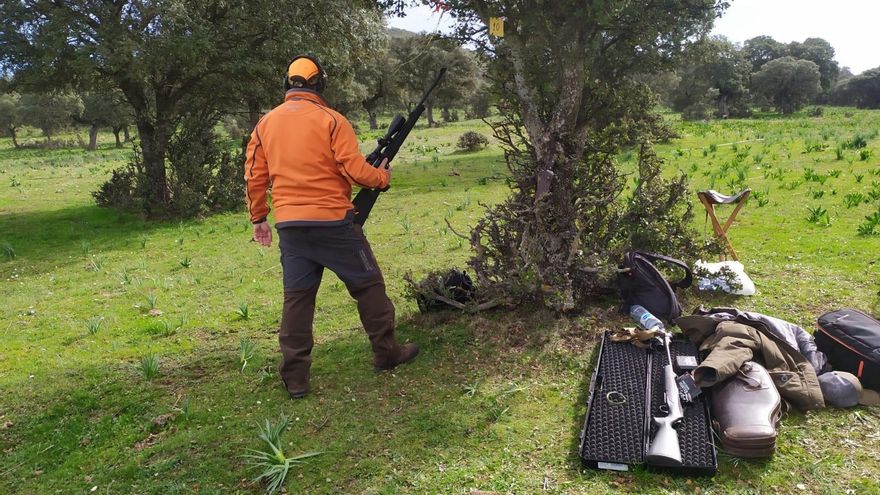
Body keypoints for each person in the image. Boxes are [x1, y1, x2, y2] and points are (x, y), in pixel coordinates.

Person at [244, 55, 419, 399]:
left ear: (288, 84)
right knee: (368, 285)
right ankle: (387, 353)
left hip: (291, 227)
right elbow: (354, 170)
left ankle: (296, 379)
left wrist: (259, 218)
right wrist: (381, 177)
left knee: (297, 300)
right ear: (319, 84)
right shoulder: (332, 120)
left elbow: (254, 176)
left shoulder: (265, 124)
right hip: (334, 225)